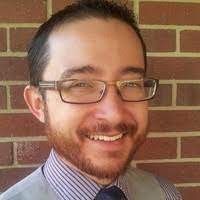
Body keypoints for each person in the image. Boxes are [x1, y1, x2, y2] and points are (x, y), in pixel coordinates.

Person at [0, 0, 182, 199]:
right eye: (81, 85)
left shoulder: (165, 194)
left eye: (131, 84)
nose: (113, 114)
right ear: (38, 104)